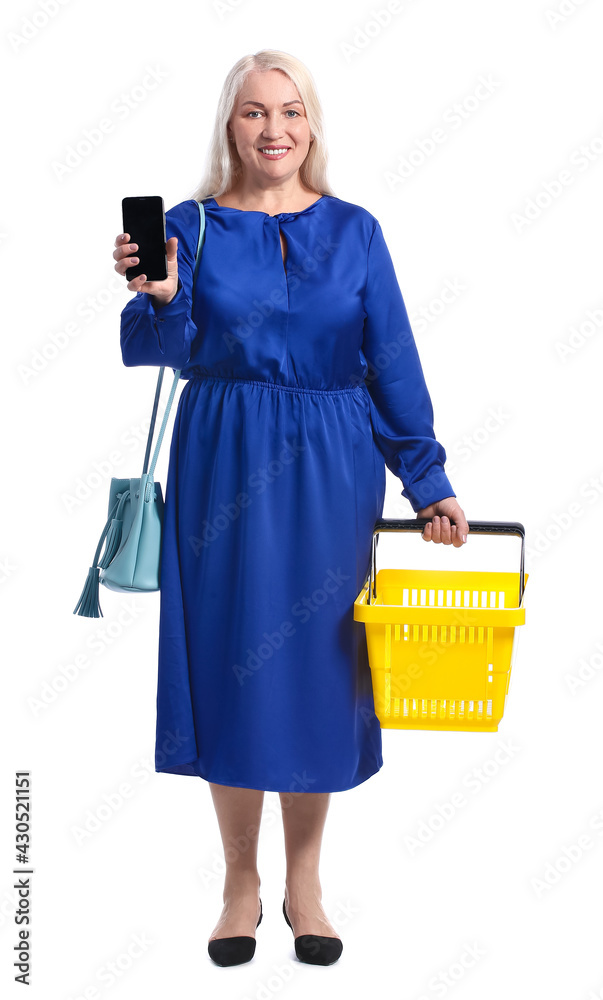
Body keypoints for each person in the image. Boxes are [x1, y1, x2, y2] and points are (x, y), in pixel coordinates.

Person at [114, 48, 469, 968]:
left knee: (318, 669)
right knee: (234, 666)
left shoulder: (356, 231)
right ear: (227, 128)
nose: (273, 129)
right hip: (223, 462)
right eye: (252, 113)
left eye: (290, 112)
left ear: (311, 127)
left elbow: (388, 359)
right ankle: (240, 883)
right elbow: (156, 348)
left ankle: (305, 882)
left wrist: (426, 481)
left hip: (330, 468)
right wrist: (156, 291)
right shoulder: (189, 225)